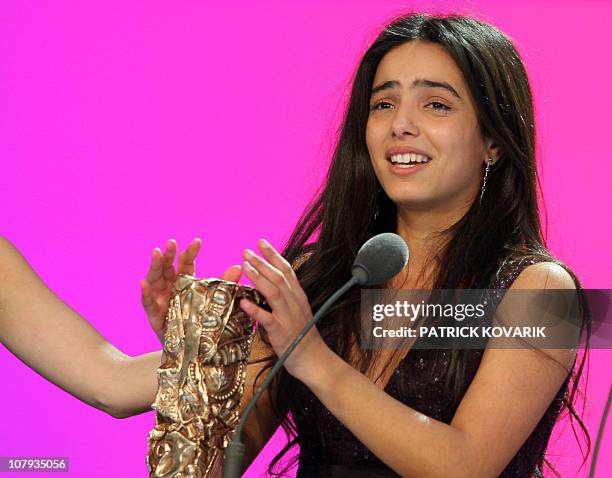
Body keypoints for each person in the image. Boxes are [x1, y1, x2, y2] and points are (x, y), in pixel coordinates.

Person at [0, 11, 591, 478]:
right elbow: (211, 457)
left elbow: (464, 465)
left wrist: (313, 359)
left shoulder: (541, 291)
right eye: (383, 103)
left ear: (493, 140)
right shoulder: (322, 276)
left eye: (435, 104)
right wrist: (199, 355)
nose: (400, 124)